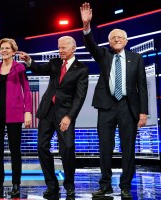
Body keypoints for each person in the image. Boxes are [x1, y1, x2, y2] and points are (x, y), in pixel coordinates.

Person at [80, 3, 148, 199]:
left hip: (128, 107)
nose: (116, 39)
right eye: (113, 38)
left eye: (120, 37)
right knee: (104, 147)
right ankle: (105, 185)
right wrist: (86, 26)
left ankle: (125, 185)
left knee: (128, 147)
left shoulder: (136, 58)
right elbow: (90, 45)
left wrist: (143, 112)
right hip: (106, 106)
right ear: (109, 42)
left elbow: (141, 86)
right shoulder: (104, 55)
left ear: (126, 41)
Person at [19, 36, 89, 199]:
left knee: (68, 148)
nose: (61, 50)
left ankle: (69, 184)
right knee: (42, 147)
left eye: (64, 47)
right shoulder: (55, 63)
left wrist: (69, 117)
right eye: (59, 47)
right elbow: (38, 69)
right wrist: (29, 60)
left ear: (73, 48)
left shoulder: (81, 69)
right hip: (47, 111)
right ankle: (51, 185)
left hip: (65, 114)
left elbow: (80, 97)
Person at [0, 38, 32, 198]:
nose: (4, 50)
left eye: (7, 48)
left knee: (14, 151)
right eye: (2, 48)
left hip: (15, 113)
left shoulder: (19, 68)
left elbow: (26, 89)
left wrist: (28, 111)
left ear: (13, 51)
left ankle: (16, 185)